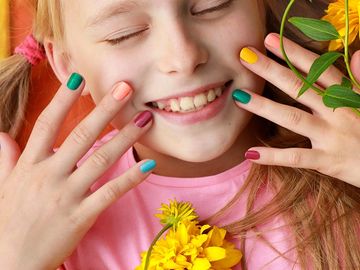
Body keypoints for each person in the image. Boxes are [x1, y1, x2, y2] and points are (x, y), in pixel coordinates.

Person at [0, 0, 360, 269]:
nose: (184, 57)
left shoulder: (346, 164)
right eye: (124, 33)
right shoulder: (44, 208)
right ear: (66, 63)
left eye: (210, 6)